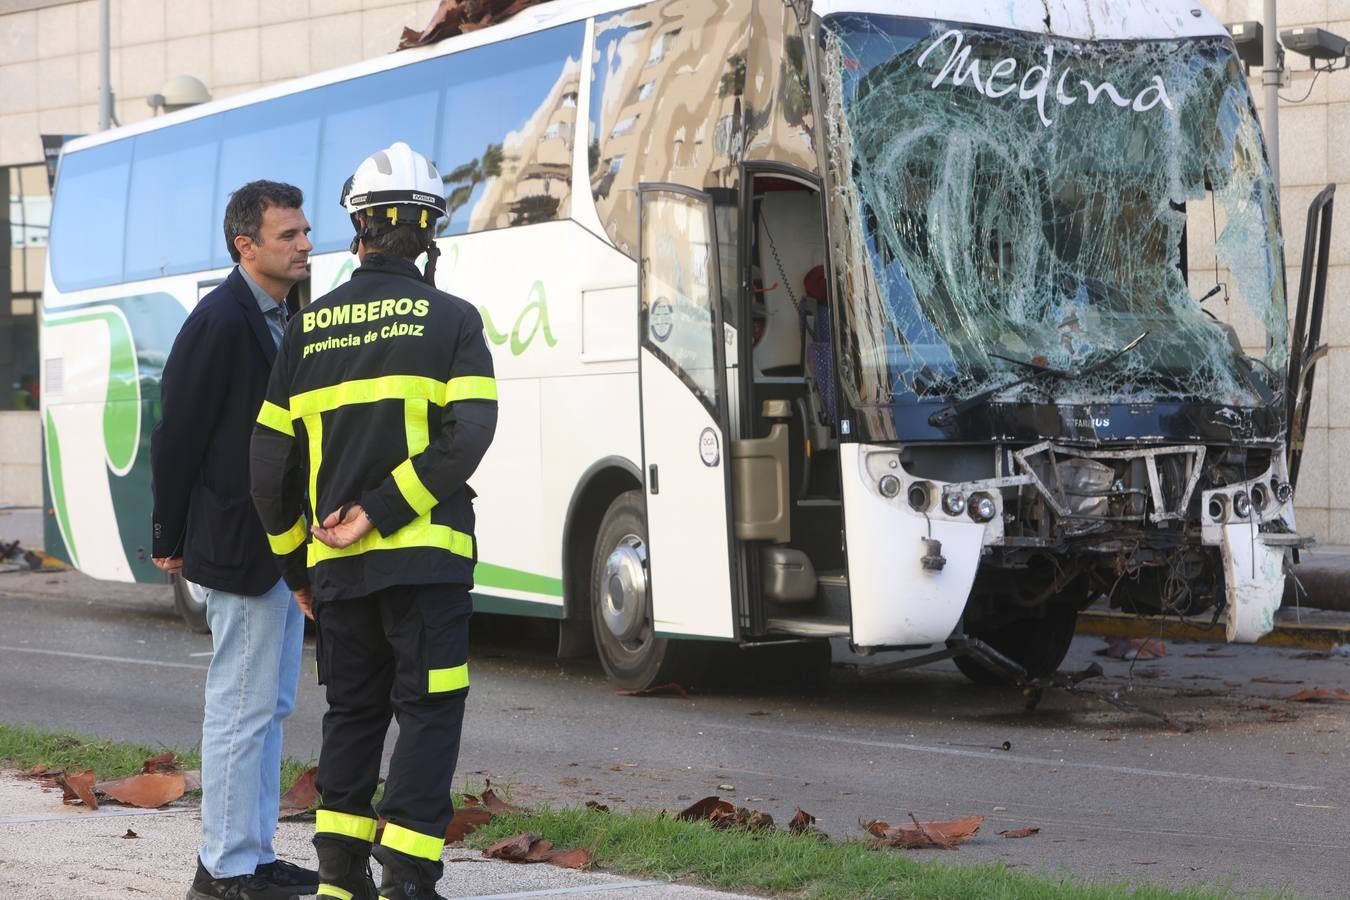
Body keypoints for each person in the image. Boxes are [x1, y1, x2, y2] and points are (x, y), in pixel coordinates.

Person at [250, 142, 498, 900]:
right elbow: (471, 434)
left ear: (355, 230)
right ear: (429, 233)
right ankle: (409, 882)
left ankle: (340, 878)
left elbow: (268, 468)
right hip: (427, 563)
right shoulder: (453, 319)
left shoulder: (307, 329)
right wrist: (384, 511)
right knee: (428, 714)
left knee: (352, 714)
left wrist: (298, 566)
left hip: (336, 573)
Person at [151, 181, 319, 900]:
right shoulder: (219, 320)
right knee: (240, 709)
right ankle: (224, 869)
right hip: (237, 543)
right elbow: (177, 432)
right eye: (289, 235)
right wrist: (168, 532)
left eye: (306, 231)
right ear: (246, 246)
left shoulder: (291, 314)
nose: (306, 244)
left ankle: (251, 852)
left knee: (267, 707)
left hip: (280, 545)